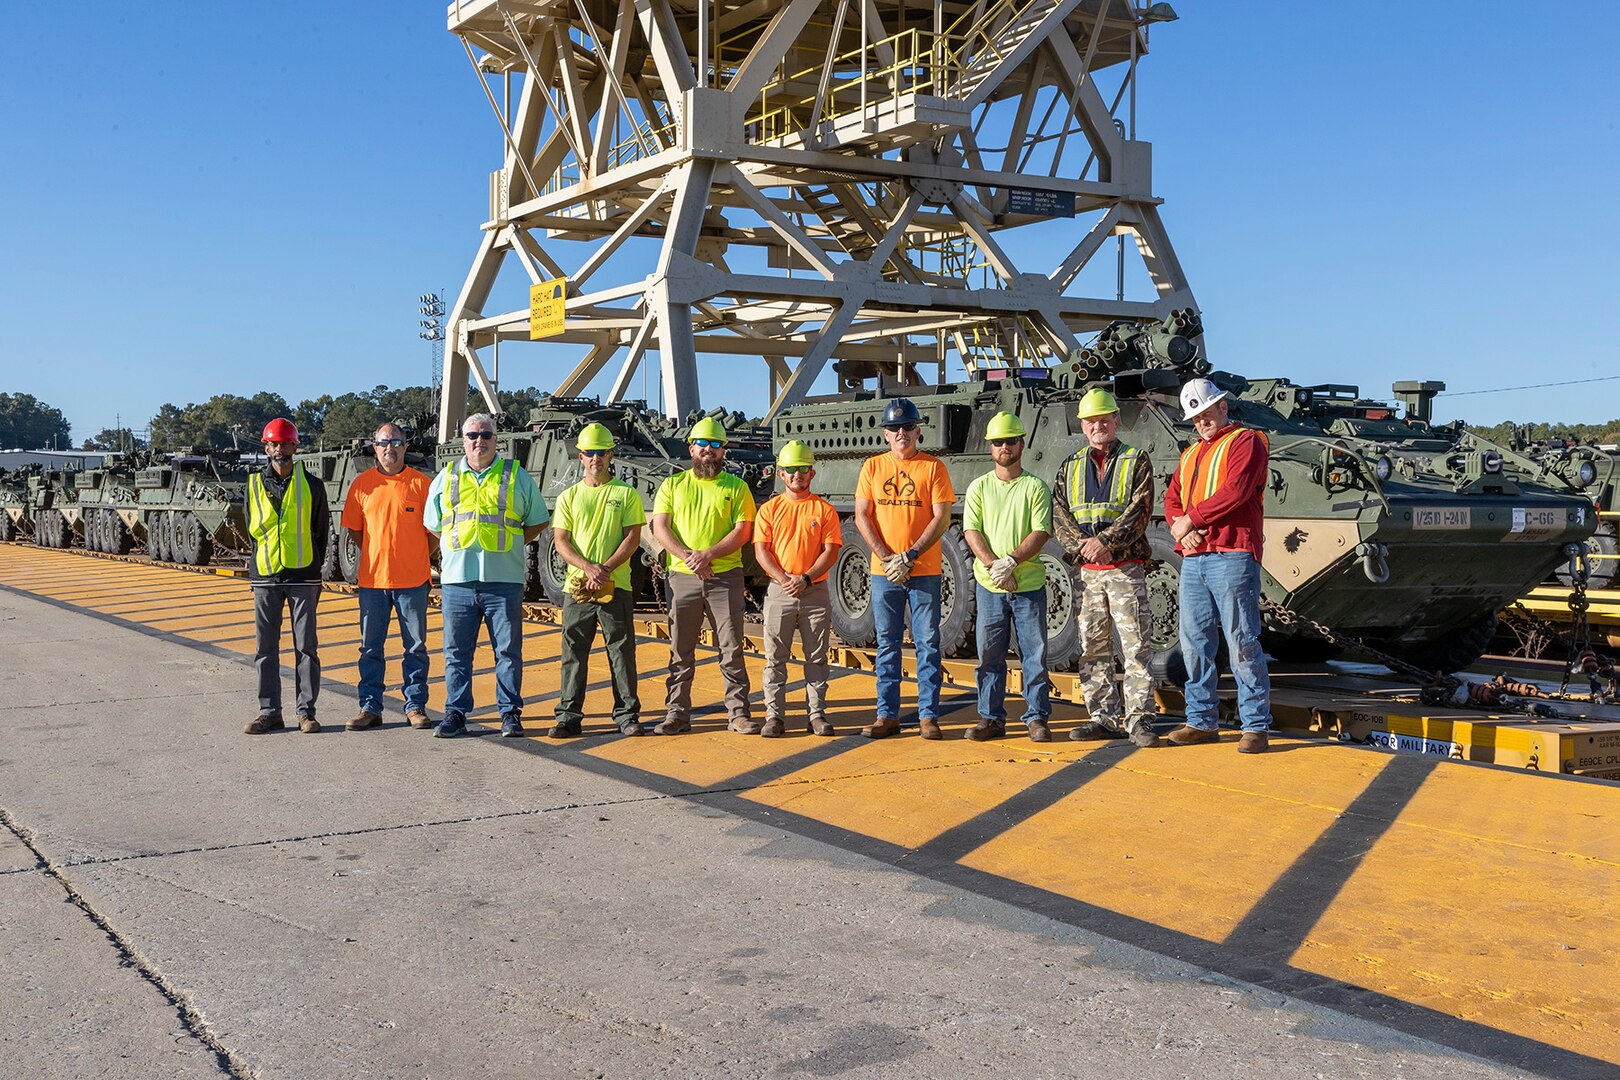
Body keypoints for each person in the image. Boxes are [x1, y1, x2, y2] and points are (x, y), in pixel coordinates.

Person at [1162, 378, 1274, 753]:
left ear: (1223, 408)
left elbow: (1237, 489)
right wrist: (1185, 531)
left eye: (1206, 413)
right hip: (1196, 557)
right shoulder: (1191, 453)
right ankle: (1200, 721)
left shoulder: (1247, 441)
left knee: (1241, 640)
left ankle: (1255, 725)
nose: (1201, 421)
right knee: (1194, 643)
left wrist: (1189, 521)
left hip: (1233, 553)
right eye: (1195, 417)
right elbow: (1172, 498)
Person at [424, 413, 551, 739]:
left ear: (496, 439)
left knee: (507, 652)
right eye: (472, 435)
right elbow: (433, 525)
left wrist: (511, 543)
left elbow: (537, 519)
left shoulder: (516, 476)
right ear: (462, 440)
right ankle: (456, 712)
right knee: (456, 653)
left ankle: (509, 714)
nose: (479, 441)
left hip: (504, 581)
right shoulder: (446, 477)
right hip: (457, 582)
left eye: (486, 435)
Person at [1052, 388, 1160, 748]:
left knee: (1135, 647)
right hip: (1088, 573)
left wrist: (1105, 543)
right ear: (1083, 426)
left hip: (1124, 568)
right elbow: (1060, 515)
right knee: (1093, 648)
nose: (1098, 426)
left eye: (1104, 420)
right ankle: (1103, 716)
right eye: (1091, 421)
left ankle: (1140, 718)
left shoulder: (1136, 460)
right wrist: (1082, 547)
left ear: (1115, 421)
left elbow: (1140, 510)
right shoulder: (1070, 467)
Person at [854, 397, 956, 739]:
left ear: (918, 431)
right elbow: (862, 515)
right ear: (885, 433)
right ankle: (887, 715)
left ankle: (928, 716)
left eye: (908, 427)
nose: (902, 433)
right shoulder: (872, 467)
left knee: (927, 643)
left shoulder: (933, 468)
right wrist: (886, 557)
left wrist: (909, 555)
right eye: (895, 427)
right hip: (884, 573)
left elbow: (941, 517)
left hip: (923, 569)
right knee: (888, 644)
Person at [649, 416, 756, 735]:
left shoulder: (736, 487)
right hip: (682, 577)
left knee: (732, 647)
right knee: (681, 649)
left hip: (725, 576)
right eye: (702, 444)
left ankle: (738, 713)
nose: (708, 450)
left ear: (723, 450)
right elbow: (660, 527)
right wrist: (689, 558)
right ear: (691, 448)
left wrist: (707, 555)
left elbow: (743, 531)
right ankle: (677, 713)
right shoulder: (673, 485)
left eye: (715, 445)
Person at [549, 422, 646, 738]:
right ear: (580, 456)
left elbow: (632, 536)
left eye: (601, 453)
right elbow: (561, 540)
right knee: (573, 652)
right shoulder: (568, 497)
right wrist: (588, 568)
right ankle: (568, 716)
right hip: (578, 588)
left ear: (611, 455)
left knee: (621, 651)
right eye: (590, 453)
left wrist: (604, 568)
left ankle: (627, 715)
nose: (596, 459)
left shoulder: (625, 494)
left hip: (616, 585)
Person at [961, 412, 1053, 742]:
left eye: (1010, 441)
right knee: (989, 656)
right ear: (990, 447)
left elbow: (1041, 531)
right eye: (998, 442)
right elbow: (971, 530)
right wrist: (993, 568)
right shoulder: (979, 487)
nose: (1004, 447)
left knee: (1034, 655)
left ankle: (1037, 718)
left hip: (1028, 585)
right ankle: (990, 718)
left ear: (1021, 444)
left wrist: (1011, 562)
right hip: (990, 587)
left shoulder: (1035, 487)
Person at [341, 422, 435, 731]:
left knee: (416, 648)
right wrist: (377, 552)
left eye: (396, 442)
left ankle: (415, 705)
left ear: (406, 446)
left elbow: (433, 534)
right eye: (384, 443)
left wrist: (414, 555)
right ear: (374, 447)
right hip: (373, 583)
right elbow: (355, 530)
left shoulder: (422, 484)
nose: (389, 448)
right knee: (370, 648)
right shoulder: (362, 485)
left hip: (413, 583)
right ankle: (370, 707)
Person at [244, 417, 330, 734]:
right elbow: (253, 530)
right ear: (266, 447)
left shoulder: (313, 485)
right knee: (265, 648)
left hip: (303, 576)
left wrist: (313, 568)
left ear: (295, 446)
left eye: (284, 443)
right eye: (273, 443)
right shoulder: (252, 485)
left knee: (306, 647)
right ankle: (270, 712)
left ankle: (306, 713)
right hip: (266, 576)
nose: (279, 449)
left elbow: (321, 532)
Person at [753, 440, 842, 738]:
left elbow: (830, 551)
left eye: (803, 469)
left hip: (814, 591)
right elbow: (762, 552)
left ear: (812, 473)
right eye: (791, 470)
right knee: (775, 658)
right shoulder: (769, 510)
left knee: (816, 657)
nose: (797, 475)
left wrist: (804, 578)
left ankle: (816, 715)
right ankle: (774, 717)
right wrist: (783, 578)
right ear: (781, 473)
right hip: (780, 592)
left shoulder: (824, 510)